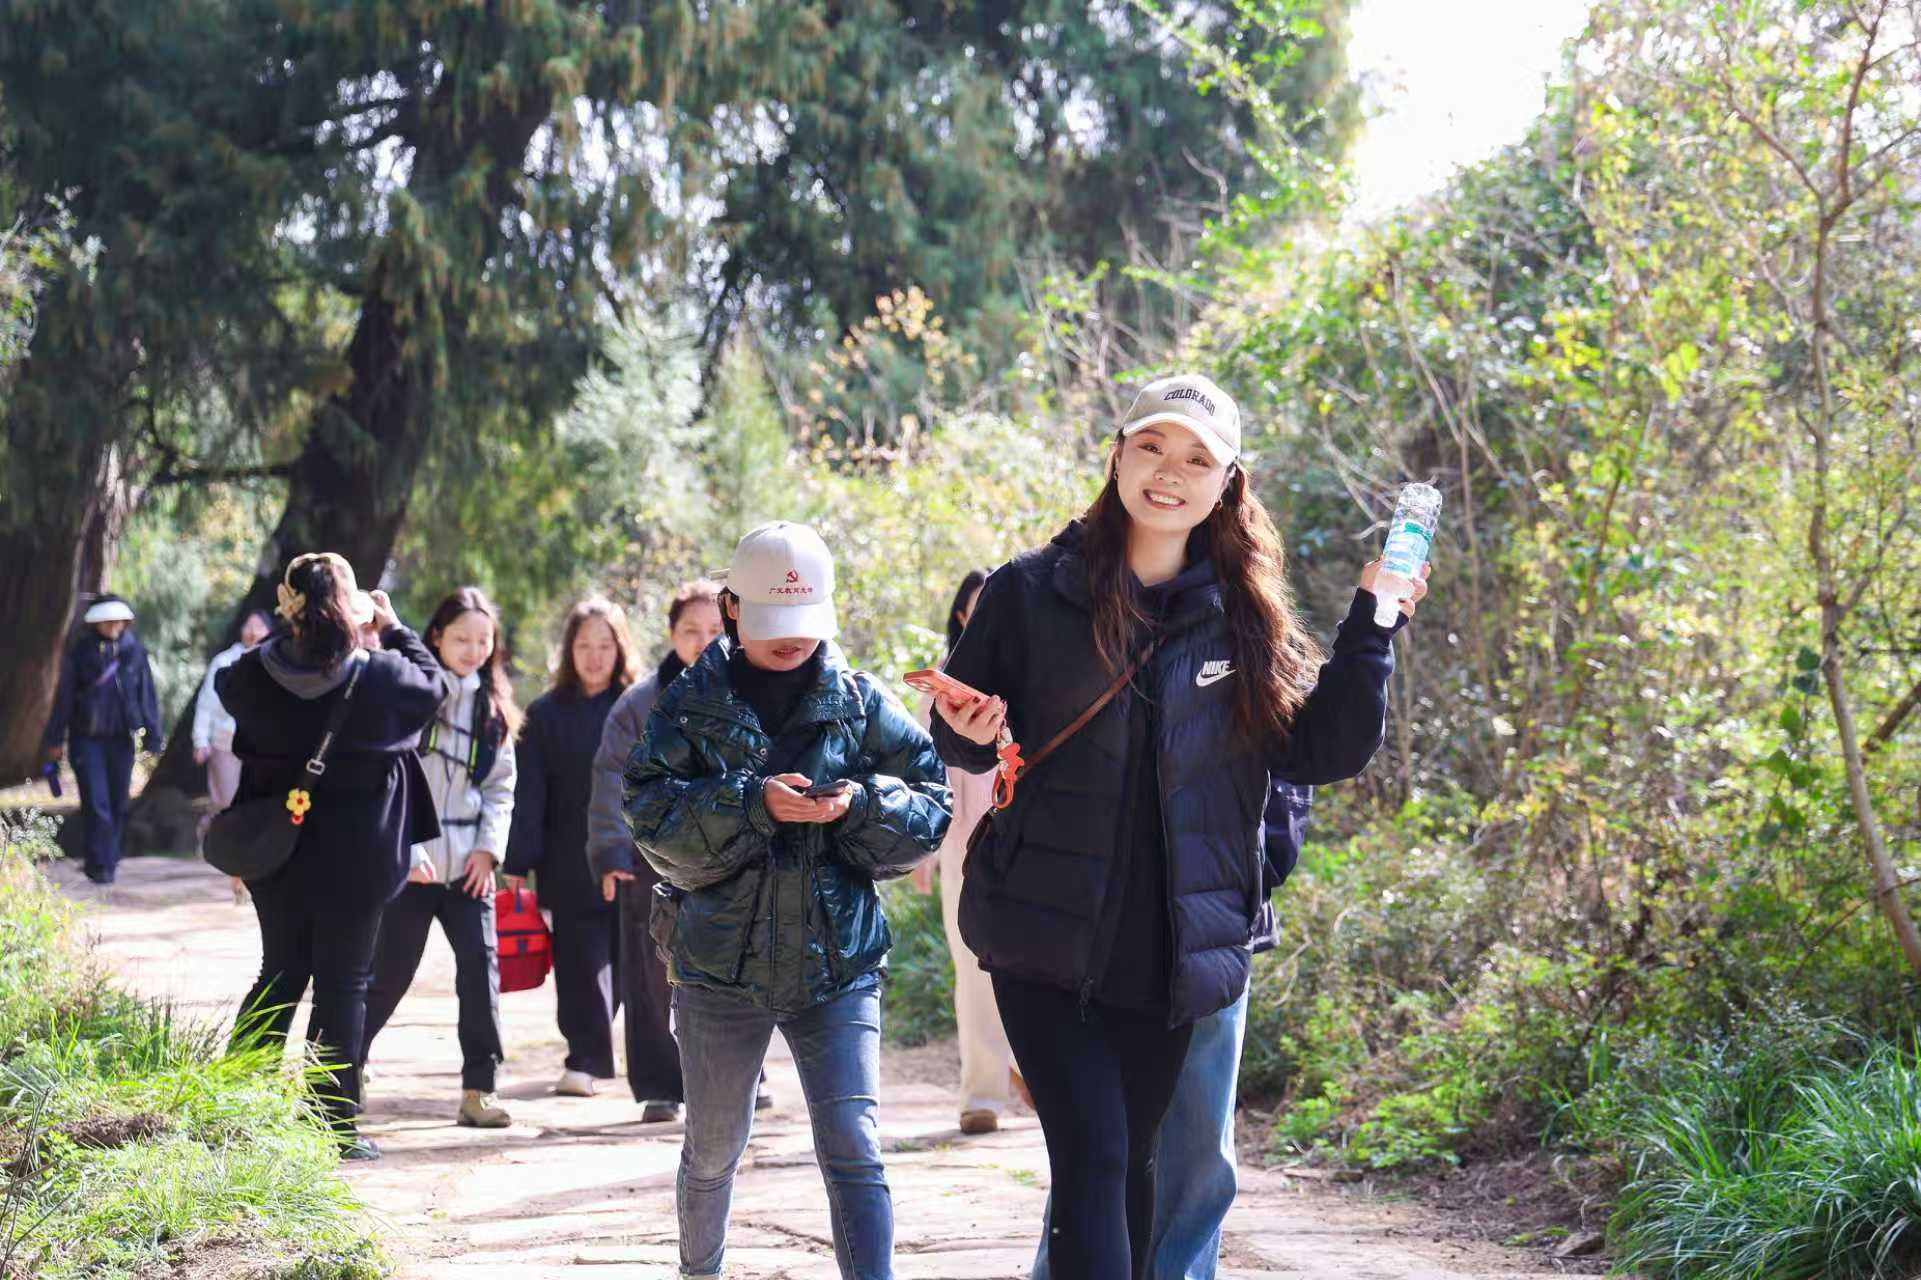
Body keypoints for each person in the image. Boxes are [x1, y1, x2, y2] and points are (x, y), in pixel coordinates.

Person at [931, 373, 1429, 1280]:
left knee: (1133, 1168)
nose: (1169, 472)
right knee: (1093, 1161)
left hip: (1168, 953)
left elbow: (1318, 751)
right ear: (1117, 454)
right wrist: (963, 726)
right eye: (1153, 447)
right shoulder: (1026, 592)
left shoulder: (1243, 615)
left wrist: (1372, 626)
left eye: (1198, 459)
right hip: (1042, 931)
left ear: (1227, 482)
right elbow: (961, 735)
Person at [609, 521, 951, 1280]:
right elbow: (649, 818)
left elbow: (932, 801)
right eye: (772, 621)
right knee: (712, 1148)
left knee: (855, 1146)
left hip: (840, 963)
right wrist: (751, 804)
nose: (791, 639)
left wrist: (860, 805)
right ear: (731, 608)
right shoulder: (688, 704)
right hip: (719, 969)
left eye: (804, 620)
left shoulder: (860, 701)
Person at [1031, 778, 1311, 1280]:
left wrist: (1251, 868)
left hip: (1219, 922)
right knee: (1103, 1139)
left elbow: (1297, 766)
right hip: (1113, 915)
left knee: (1200, 1137)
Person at [219, 553, 445, 1160]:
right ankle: (330, 1127)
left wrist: (285, 633)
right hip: (358, 861)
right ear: (353, 609)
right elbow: (433, 684)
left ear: (288, 609)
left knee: (280, 972)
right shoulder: (381, 678)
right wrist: (393, 628)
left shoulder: (254, 675)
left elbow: (229, 681)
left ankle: (234, 1110)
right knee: (344, 985)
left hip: (279, 853)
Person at [361, 587, 521, 1130]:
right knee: (388, 973)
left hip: (470, 869)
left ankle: (480, 1089)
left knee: (480, 973)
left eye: (483, 640)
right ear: (436, 638)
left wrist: (489, 851)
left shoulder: (494, 709)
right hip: (410, 866)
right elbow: (389, 781)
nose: (473, 650)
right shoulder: (412, 697)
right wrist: (406, 850)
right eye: (461, 639)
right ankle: (343, 1068)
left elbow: (500, 788)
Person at [587, 579, 734, 1122]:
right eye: (690, 630)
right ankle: (659, 1085)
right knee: (651, 974)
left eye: (715, 630)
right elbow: (610, 776)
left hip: (730, 855)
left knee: (733, 967)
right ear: (671, 635)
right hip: (651, 859)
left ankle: (740, 1076)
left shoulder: (751, 691)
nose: (702, 641)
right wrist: (610, 851)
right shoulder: (639, 702)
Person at [503, 598, 639, 1097]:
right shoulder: (543, 714)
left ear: (620, 649)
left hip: (633, 857)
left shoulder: (639, 706)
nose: (594, 657)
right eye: (584, 646)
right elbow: (529, 796)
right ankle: (584, 1059)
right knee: (579, 964)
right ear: (568, 650)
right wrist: (517, 861)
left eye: (605, 645)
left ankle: (598, 1048)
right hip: (566, 860)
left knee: (624, 966)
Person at [909, 568, 1022, 1136]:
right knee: (974, 968)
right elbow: (922, 773)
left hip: (1036, 839)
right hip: (963, 845)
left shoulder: (1038, 668)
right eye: (978, 605)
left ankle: (1032, 1069)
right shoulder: (940, 689)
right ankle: (982, 1096)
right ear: (961, 615)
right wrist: (923, 851)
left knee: (1040, 963)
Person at [41, 594, 167, 885]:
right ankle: (101, 866)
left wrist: (154, 737)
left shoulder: (134, 653)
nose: (113, 626)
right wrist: (55, 740)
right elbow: (64, 700)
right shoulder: (79, 654)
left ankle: (108, 858)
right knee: (96, 803)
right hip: (87, 740)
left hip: (121, 740)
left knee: (118, 803)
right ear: (95, 623)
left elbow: (146, 695)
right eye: (107, 621)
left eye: (117, 621)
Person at [192, 610, 274, 848]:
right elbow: (206, 703)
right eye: (249, 625)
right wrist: (200, 740)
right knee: (225, 799)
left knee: (254, 801)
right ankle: (213, 840)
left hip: (260, 746)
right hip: (225, 742)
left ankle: (244, 850)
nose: (253, 631)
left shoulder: (276, 662)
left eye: (259, 626)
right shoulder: (224, 661)